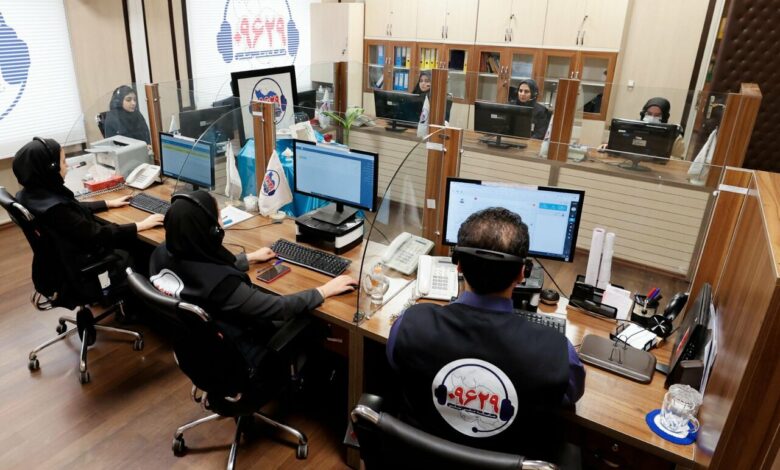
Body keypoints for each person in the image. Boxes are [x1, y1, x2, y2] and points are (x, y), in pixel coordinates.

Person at [386, 207, 585, 463]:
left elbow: (395, 363)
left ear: (458, 266)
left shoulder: (409, 324)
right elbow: (570, 395)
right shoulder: (557, 352)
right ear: (522, 273)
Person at [148, 190, 358, 369]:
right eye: (218, 218)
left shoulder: (160, 254)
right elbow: (279, 307)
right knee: (312, 319)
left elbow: (202, 263)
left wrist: (249, 258)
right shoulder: (223, 286)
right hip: (240, 356)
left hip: (197, 352)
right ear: (211, 231)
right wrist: (324, 290)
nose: (221, 223)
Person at [12, 138, 163, 294]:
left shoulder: (30, 194)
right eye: (63, 162)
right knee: (142, 246)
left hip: (59, 266)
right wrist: (140, 225)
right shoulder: (56, 210)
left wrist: (107, 203)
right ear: (51, 168)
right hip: (80, 271)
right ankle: (144, 299)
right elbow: (97, 234)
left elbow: (71, 209)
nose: (67, 166)